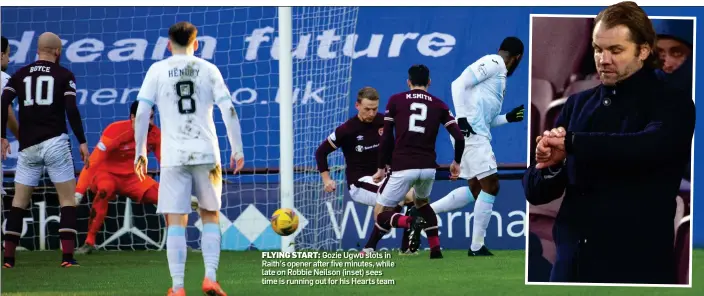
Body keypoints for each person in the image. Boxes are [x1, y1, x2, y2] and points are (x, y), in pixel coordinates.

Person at [523, 1, 695, 284]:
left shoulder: (673, 104)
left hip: (637, 269)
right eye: (598, 49)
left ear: (642, 51)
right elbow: (536, 192)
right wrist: (548, 165)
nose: (603, 59)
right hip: (571, 267)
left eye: (615, 50)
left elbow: (646, 147)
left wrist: (572, 143)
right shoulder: (577, 104)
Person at [133, 21, 244, 296]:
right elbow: (228, 109)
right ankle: (210, 277)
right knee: (210, 214)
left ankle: (178, 287)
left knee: (175, 219)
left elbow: (144, 111)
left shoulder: (157, 70)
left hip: (173, 155)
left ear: (169, 45)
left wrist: (140, 151)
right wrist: (237, 148)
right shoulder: (208, 69)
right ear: (196, 44)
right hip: (207, 153)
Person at [429, 36, 526, 256]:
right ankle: (476, 247)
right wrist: (461, 118)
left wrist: (507, 118)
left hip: (473, 131)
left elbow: (487, 119)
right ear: (517, 58)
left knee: (476, 189)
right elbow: (458, 84)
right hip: (471, 133)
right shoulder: (494, 62)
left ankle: (424, 212)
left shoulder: (499, 79)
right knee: (491, 186)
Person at [1, 32, 90, 268]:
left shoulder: (20, 74)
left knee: (18, 202)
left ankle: (8, 260)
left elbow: (3, 102)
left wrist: (2, 136)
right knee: (67, 200)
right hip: (55, 143)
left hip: (28, 145)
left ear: (37, 51)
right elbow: (71, 110)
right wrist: (82, 141)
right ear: (57, 52)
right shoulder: (64, 74)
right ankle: (67, 258)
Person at [372, 64, 464, 259]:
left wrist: (381, 168)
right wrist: (456, 162)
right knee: (422, 203)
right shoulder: (439, 104)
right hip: (428, 168)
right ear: (429, 82)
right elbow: (460, 137)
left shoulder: (396, 101)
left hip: (403, 165)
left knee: (381, 211)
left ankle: (396, 229)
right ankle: (436, 250)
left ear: (408, 82)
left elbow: (386, 137)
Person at [315, 86, 415, 255]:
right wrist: (326, 180)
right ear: (357, 106)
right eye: (367, 109)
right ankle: (401, 225)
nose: (371, 113)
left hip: (383, 177)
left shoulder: (385, 122)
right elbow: (321, 152)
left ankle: (404, 248)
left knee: (412, 196)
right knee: (394, 195)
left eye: (375, 109)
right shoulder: (346, 129)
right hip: (359, 183)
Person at [74, 101, 162, 254]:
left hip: (135, 177)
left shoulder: (155, 134)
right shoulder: (115, 130)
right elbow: (93, 163)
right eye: (144, 118)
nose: (148, 123)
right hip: (107, 174)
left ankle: (178, 243)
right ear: (132, 118)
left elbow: (165, 163)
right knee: (104, 189)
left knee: (167, 199)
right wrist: (78, 192)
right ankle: (89, 242)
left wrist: (176, 191)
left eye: (151, 118)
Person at [1, 36, 19, 196]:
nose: (8, 58)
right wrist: (22, 139)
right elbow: (7, 112)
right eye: (8, 54)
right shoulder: (3, 79)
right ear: (1, 55)